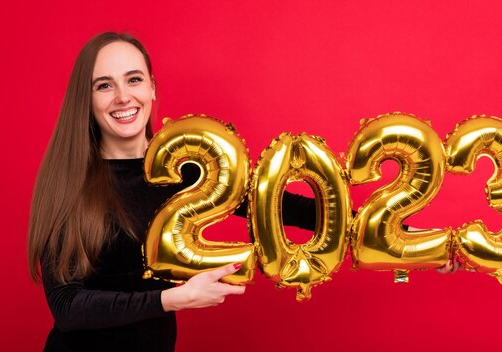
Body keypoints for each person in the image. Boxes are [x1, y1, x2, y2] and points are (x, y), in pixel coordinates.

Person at [27, 32, 317, 351]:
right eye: (105, 85)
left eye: (133, 79)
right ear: (87, 98)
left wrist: (363, 223)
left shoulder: (185, 168)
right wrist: (172, 299)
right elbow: (67, 307)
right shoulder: (69, 179)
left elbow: (275, 204)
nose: (123, 97)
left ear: (151, 87)